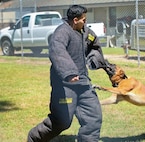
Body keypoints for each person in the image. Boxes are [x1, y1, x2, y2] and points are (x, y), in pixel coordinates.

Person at [27, 5, 106, 142]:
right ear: (75, 20)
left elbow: (95, 47)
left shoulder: (87, 32)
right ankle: (35, 137)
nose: (85, 22)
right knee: (62, 121)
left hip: (83, 82)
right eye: (84, 20)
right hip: (64, 84)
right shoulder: (61, 32)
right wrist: (69, 72)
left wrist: (94, 60)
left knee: (93, 117)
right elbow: (57, 51)